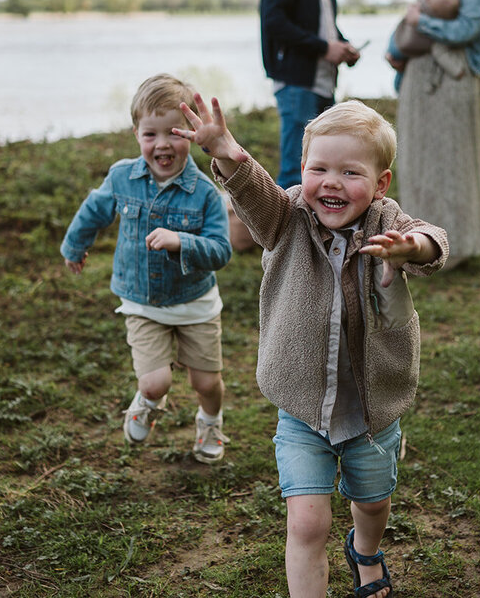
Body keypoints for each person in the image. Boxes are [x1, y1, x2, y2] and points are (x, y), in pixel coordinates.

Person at [176, 95, 448, 598]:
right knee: (306, 523)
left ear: (380, 183)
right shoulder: (286, 218)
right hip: (302, 409)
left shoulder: (386, 223)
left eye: (350, 172)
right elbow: (253, 192)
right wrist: (224, 149)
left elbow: (432, 241)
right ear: (302, 169)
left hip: (372, 411)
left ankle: (365, 552)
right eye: (319, 168)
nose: (332, 182)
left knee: (371, 502)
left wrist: (412, 248)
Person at [60, 74, 233, 463]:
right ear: (136, 133)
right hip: (141, 300)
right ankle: (148, 401)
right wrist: (75, 246)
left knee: (206, 381)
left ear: (191, 133)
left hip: (195, 302)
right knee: (156, 382)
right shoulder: (122, 176)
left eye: (173, 133)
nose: (162, 145)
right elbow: (94, 211)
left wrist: (182, 241)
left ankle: (210, 420)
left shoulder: (205, 192)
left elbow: (221, 251)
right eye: (149, 134)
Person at [385, 0, 480, 265]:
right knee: (419, 161)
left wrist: (423, 23)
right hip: (419, 83)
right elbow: (407, 23)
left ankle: (458, 245)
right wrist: (395, 49)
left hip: (451, 81)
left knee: (452, 162)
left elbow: (466, 31)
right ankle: (421, 243)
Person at [260, 0, 362, 189]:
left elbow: (324, 26)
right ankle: (283, 238)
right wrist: (323, 48)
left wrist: (342, 46)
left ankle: (318, 237)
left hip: (323, 81)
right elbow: (274, 23)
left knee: (324, 169)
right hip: (295, 82)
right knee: (296, 172)